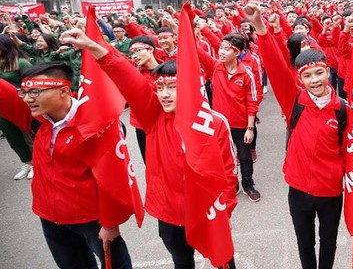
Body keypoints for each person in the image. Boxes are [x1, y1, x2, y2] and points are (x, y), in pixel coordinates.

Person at [60, 29, 238, 269]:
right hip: (170, 215)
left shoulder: (214, 123)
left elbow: (228, 172)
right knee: (182, 262)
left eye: (172, 87)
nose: (164, 95)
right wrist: (96, 48)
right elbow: (128, 79)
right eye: (160, 87)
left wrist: (224, 211)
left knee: (224, 262)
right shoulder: (152, 116)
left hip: (209, 212)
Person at [0, 63, 133, 268]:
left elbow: (115, 176)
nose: (27, 99)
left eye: (35, 91)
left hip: (92, 218)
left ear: (63, 90)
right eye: (24, 92)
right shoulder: (36, 119)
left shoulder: (97, 124)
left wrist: (110, 222)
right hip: (50, 216)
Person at [243, 2, 345, 269]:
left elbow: (351, 151)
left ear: (328, 72)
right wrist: (261, 28)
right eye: (307, 75)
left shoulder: (344, 109)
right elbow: (275, 66)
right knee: (305, 242)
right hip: (298, 188)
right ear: (300, 78)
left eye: (319, 73)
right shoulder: (294, 101)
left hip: (331, 190)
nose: (314, 80)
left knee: (329, 242)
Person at [197, 33, 261, 202]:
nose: (221, 52)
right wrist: (181, 27)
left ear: (238, 52)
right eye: (221, 48)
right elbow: (197, 51)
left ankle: (248, 184)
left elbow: (252, 102)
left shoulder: (246, 74)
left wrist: (250, 128)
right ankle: (232, 185)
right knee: (224, 157)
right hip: (220, 126)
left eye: (227, 49)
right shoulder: (215, 67)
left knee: (245, 156)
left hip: (241, 125)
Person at [0, 34, 34, 180]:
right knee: (13, 137)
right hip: (3, 109)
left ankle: (37, 164)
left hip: (22, 105)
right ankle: (27, 162)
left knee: (29, 135)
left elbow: (33, 84)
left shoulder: (21, 63)